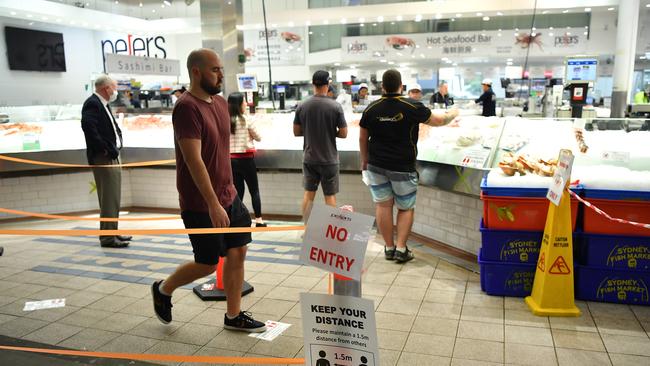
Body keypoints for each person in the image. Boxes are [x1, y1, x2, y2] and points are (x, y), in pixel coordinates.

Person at [151, 48, 266, 333]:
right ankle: (164, 289)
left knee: (239, 252)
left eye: (221, 70)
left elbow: (220, 153)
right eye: (215, 70)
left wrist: (229, 195)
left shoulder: (220, 103)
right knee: (207, 263)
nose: (221, 75)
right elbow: (194, 160)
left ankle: (233, 315)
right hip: (201, 203)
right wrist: (213, 203)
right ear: (196, 72)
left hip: (230, 196)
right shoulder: (186, 107)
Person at [359, 69, 458, 263]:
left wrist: (364, 161)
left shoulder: (371, 108)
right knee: (405, 208)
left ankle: (388, 247)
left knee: (383, 205)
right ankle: (401, 249)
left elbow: (363, 138)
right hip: (403, 166)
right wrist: (453, 113)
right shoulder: (411, 106)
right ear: (401, 86)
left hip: (376, 166)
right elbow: (439, 121)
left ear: (382, 86)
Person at [81, 75, 132, 248]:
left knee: (113, 198)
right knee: (109, 198)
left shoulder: (103, 103)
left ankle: (113, 232)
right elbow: (88, 126)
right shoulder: (93, 103)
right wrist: (104, 148)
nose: (116, 91)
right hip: (104, 158)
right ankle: (108, 238)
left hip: (111, 155)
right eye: (114, 87)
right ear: (107, 88)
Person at [293, 70, 348, 220]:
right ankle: (331, 232)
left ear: (313, 84)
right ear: (328, 84)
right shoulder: (335, 106)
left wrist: (311, 131)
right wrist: (330, 132)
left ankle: (306, 230)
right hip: (329, 159)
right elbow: (344, 133)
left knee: (308, 195)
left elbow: (296, 132)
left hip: (310, 158)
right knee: (329, 196)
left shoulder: (302, 106)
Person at [228, 92, 266, 227]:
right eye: (244, 102)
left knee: (238, 191)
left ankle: (237, 219)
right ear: (239, 105)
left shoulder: (225, 120)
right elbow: (259, 137)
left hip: (231, 160)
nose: (245, 104)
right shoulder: (247, 119)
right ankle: (259, 220)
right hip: (246, 159)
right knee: (254, 190)